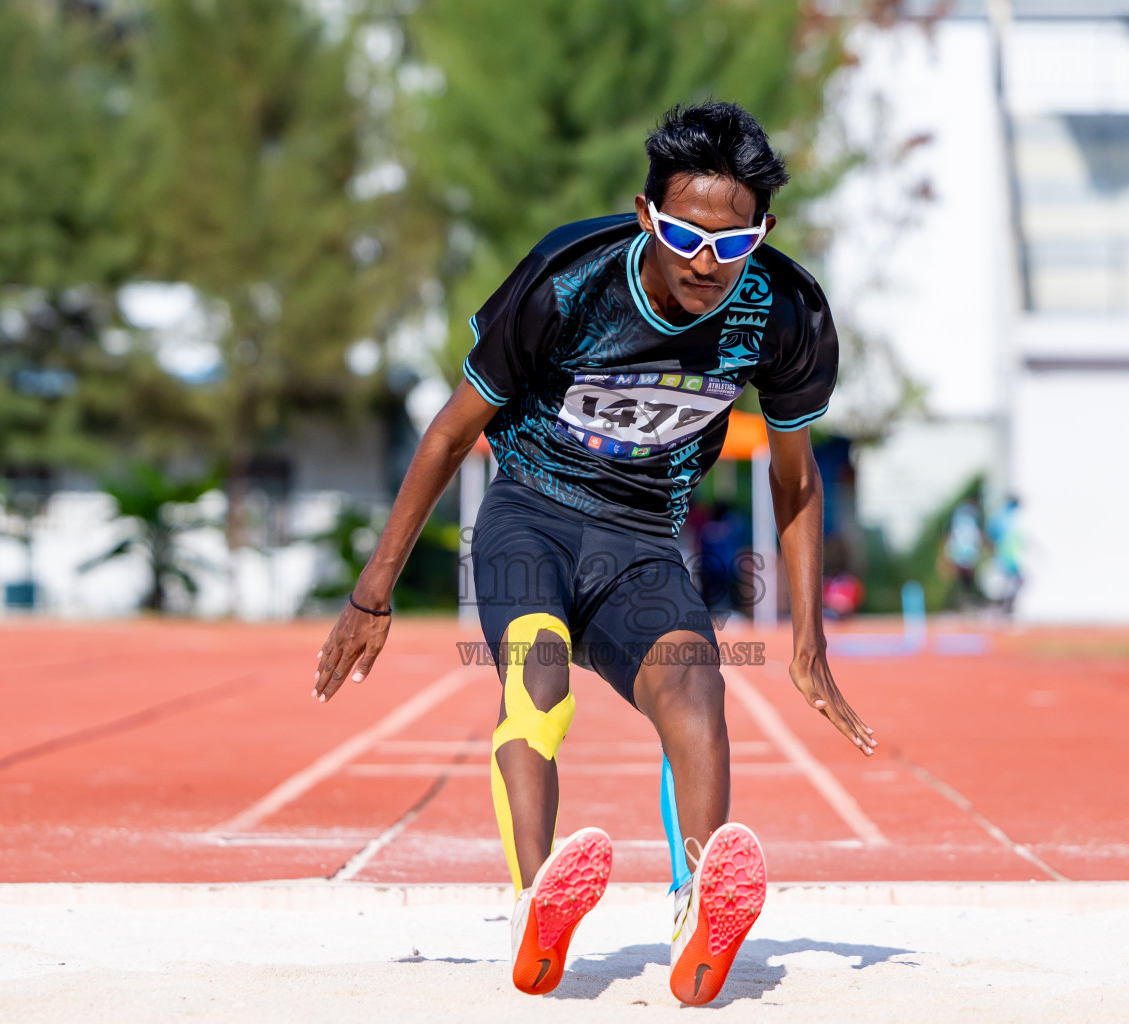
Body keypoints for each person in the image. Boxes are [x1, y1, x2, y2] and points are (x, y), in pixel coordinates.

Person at [314, 102, 875, 1005]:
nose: (708, 263)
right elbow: (456, 431)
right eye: (689, 236)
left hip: (643, 541)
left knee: (697, 679)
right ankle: (536, 904)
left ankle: (699, 913)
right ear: (650, 216)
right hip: (529, 515)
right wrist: (373, 590)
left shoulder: (785, 311)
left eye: (732, 246)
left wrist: (809, 639)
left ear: (760, 237)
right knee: (538, 674)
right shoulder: (568, 278)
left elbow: (795, 479)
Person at [986, 496, 1024, 619]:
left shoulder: (1003, 516)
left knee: (1009, 583)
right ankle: (1003, 608)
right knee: (1012, 582)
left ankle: (1004, 608)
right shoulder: (1006, 517)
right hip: (1006, 555)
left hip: (1006, 554)